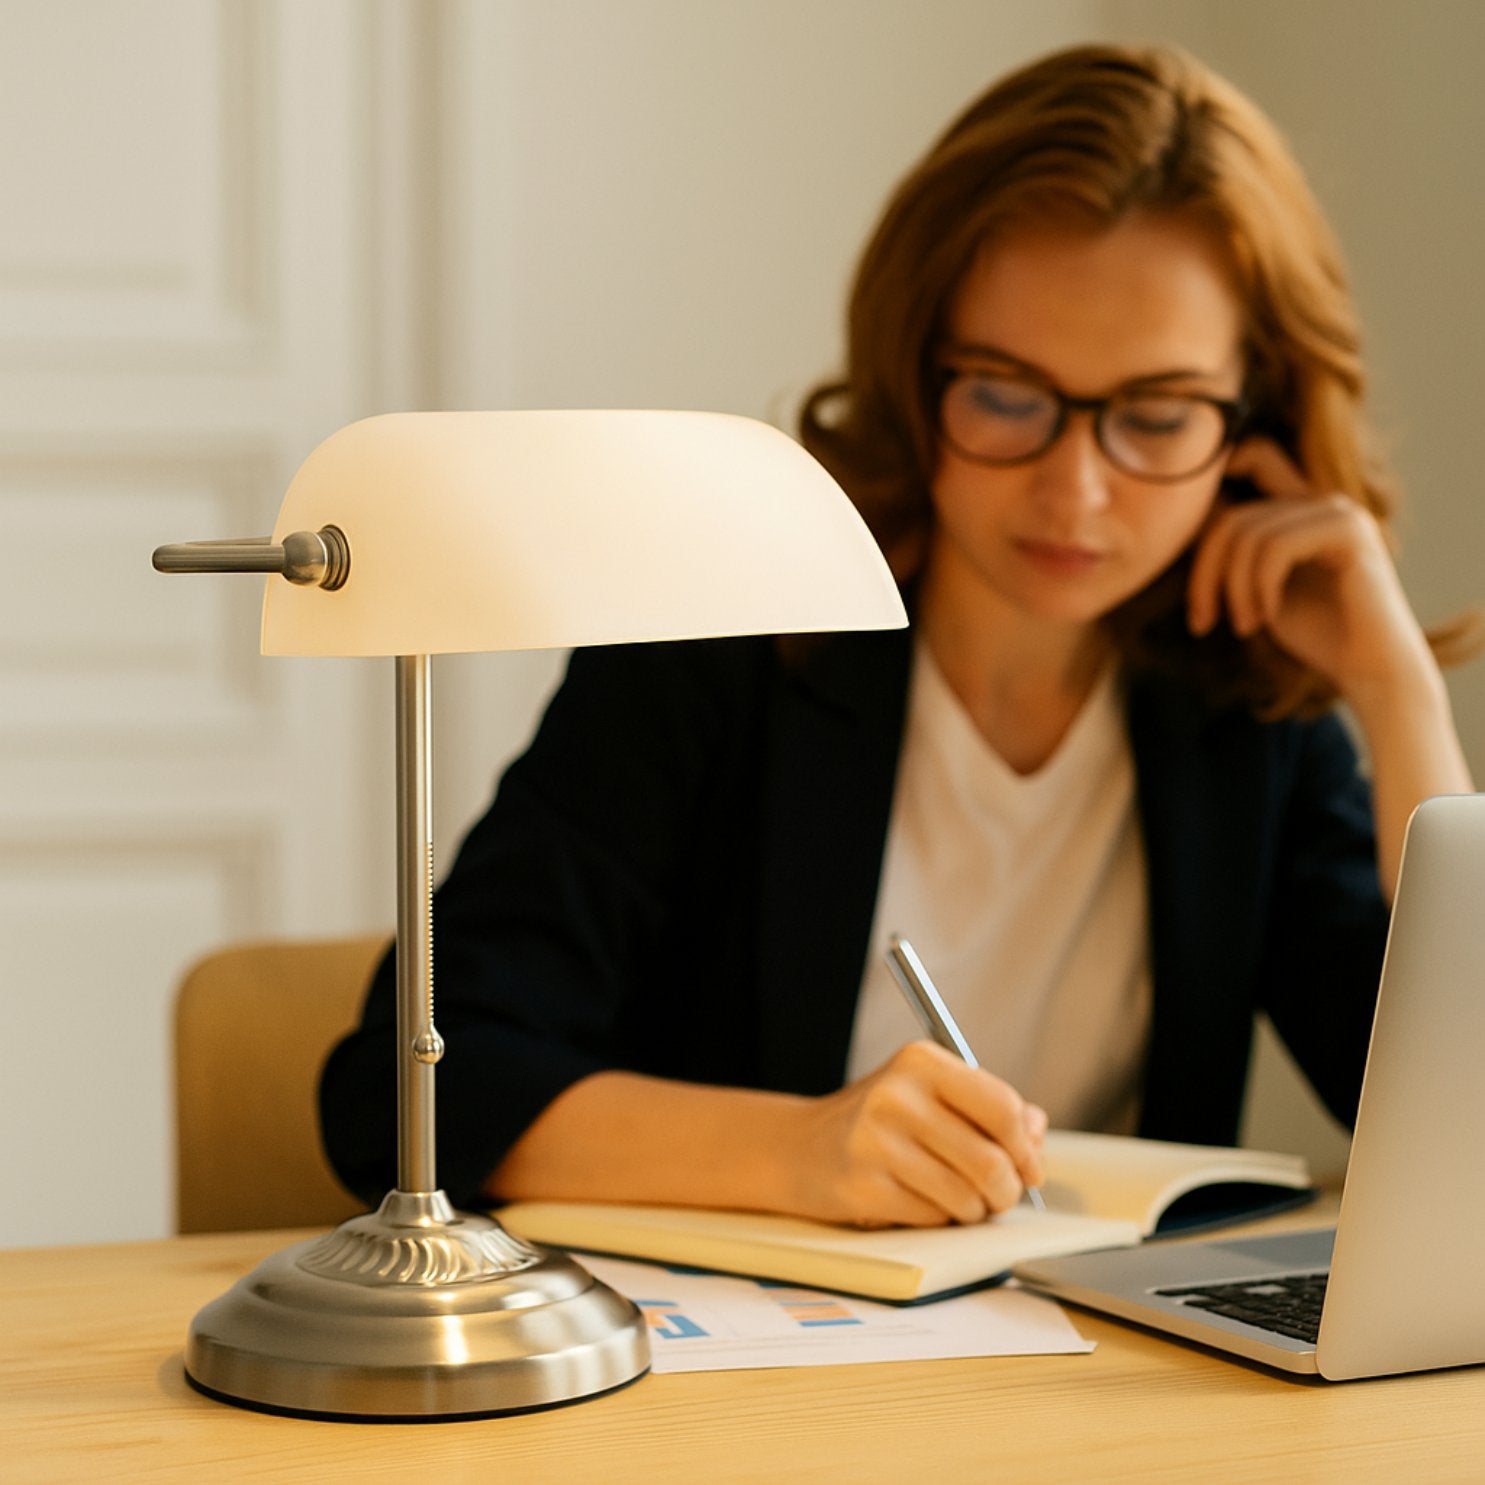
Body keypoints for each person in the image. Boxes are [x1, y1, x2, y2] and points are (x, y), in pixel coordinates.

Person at [320, 42, 1475, 1230]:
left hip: (1107, 1391)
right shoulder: (731, 634)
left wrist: (1398, 697)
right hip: (738, 1381)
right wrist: (795, 1152)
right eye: (1009, 398)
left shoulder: (1242, 717)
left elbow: (1465, 1121)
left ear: (1255, 422)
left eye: (1159, 417)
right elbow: (400, 1087)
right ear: (912, 370)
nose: (1076, 492)